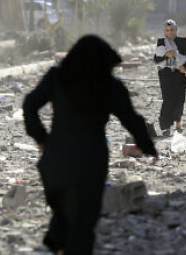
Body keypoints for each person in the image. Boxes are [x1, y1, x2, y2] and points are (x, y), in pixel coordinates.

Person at [22, 35, 158, 255]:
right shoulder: (110, 86)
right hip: (91, 159)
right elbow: (130, 118)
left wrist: (41, 139)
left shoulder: (57, 77)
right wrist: (146, 145)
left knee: (64, 211)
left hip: (57, 158)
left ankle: (56, 244)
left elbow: (30, 105)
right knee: (83, 221)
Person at [154, 20, 186, 136]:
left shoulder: (182, 41)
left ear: (176, 30)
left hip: (179, 74)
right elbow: (156, 59)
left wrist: (185, 67)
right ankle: (166, 127)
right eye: (167, 30)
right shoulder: (161, 42)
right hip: (166, 74)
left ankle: (178, 123)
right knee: (168, 100)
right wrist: (166, 55)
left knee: (179, 99)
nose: (169, 32)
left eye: (172, 30)